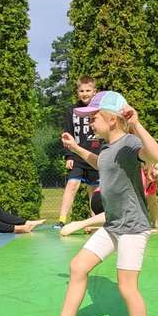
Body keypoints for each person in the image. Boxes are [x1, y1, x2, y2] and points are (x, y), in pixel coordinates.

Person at [33, 91, 158, 316]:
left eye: (94, 117)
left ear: (112, 120)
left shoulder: (129, 143)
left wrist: (137, 124)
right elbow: (100, 163)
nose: (90, 122)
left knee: (127, 287)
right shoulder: (107, 148)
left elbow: (156, 155)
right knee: (78, 267)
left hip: (132, 227)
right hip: (113, 224)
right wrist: (76, 149)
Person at [59, 161, 158, 237]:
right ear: (149, 166)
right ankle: (80, 224)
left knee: (128, 219)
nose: (156, 173)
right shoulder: (138, 174)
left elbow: (153, 204)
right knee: (129, 213)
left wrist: (155, 224)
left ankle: (95, 227)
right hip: (101, 197)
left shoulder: (152, 185)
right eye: (156, 168)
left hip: (113, 205)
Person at [54, 76, 102, 229]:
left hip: (94, 156)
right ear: (77, 92)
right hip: (77, 156)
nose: (85, 93)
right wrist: (68, 155)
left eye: (88, 90)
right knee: (72, 184)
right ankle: (62, 220)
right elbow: (67, 133)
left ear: (94, 92)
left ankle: (94, 223)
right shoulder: (72, 110)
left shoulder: (99, 110)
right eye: (82, 91)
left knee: (93, 191)